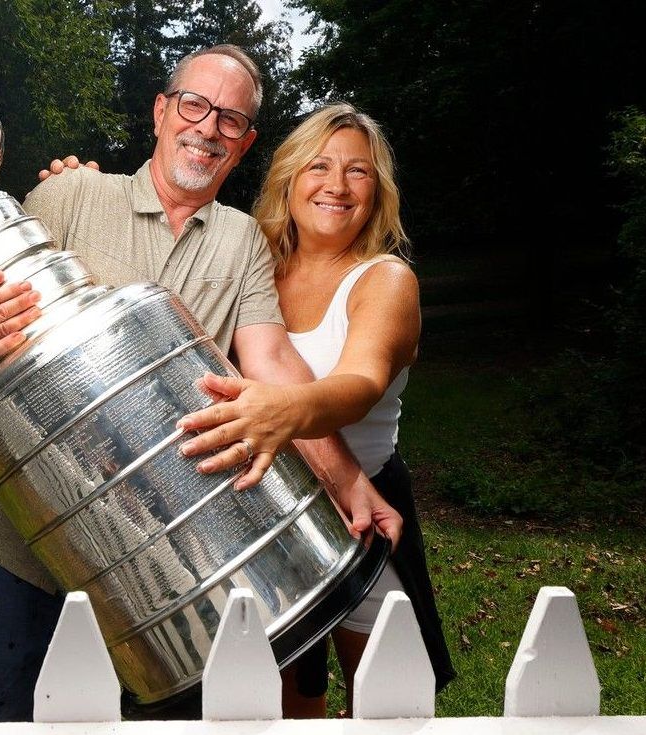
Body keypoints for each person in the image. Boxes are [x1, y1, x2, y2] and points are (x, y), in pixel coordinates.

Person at [0, 46, 402, 721]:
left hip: (160, 564)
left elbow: (272, 367)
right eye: (194, 105)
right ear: (162, 111)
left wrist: (349, 482)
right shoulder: (69, 194)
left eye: (231, 120)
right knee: (3, 718)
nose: (208, 128)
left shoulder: (242, 241)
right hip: (22, 547)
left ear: (246, 141)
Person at [178, 103, 456, 715]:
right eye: (319, 167)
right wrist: (81, 187)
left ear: (377, 192)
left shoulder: (385, 280)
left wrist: (282, 409)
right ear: (288, 179)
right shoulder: (251, 267)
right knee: (283, 702)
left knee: (382, 703)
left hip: (365, 513)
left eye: (357, 171)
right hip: (262, 511)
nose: (336, 185)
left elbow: (360, 381)